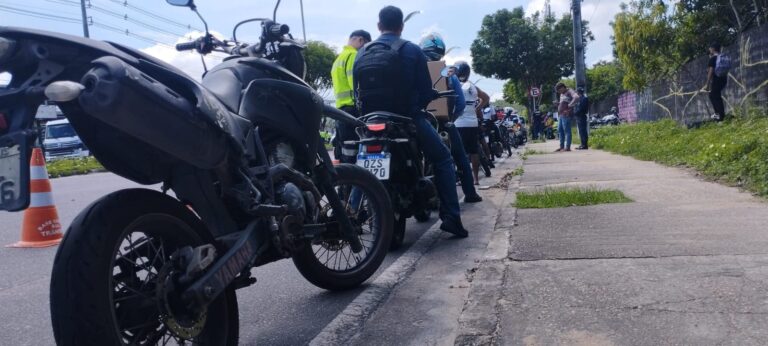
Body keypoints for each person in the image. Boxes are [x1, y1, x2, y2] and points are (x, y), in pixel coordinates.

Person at [354, 6, 469, 237]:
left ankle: (352, 214)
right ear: (401, 26)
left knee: (360, 167)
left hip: (370, 120)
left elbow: (357, 90)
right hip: (408, 118)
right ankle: (451, 218)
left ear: (379, 26)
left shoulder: (362, 52)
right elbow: (426, 91)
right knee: (444, 159)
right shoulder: (411, 50)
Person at [419, 33, 482, 203]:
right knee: (460, 158)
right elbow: (460, 103)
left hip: (416, 122)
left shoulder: (413, 69)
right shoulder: (447, 72)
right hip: (442, 122)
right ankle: (470, 193)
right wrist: (450, 118)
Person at [331, 29, 371, 163]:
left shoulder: (339, 58)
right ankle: (355, 179)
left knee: (343, 146)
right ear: (360, 40)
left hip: (339, 110)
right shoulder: (353, 55)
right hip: (352, 109)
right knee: (353, 147)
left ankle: (345, 179)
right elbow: (355, 85)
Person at [453, 61, 486, 185]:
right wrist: (476, 109)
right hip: (472, 123)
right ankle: (476, 179)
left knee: (459, 153)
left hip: (458, 123)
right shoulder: (472, 86)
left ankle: (463, 179)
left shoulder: (454, 85)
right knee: (474, 151)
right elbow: (486, 98)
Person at [705, 42, 727, 121]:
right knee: (716, 96)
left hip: (717, 79)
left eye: (710, 48)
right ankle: (720, 115)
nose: (709, 49)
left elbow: (710, 71)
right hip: (723, 79)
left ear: (713, 48)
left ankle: (720, 116)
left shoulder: (713, 58)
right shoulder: (721, 57)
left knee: (713, 95)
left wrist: (707, 84)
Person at [555, 82, 580, 152]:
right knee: (560, 130)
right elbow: (562, 103)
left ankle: (568, 147)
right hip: (561, 115)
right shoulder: (561, 94)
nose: (560, 92)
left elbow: (576, 97)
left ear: (563, 87)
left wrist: (570, 105)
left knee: (567, 130)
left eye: (560, 90)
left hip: (566, 114)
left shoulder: (570, 91)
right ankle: (561, 147)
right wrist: (558, 104)